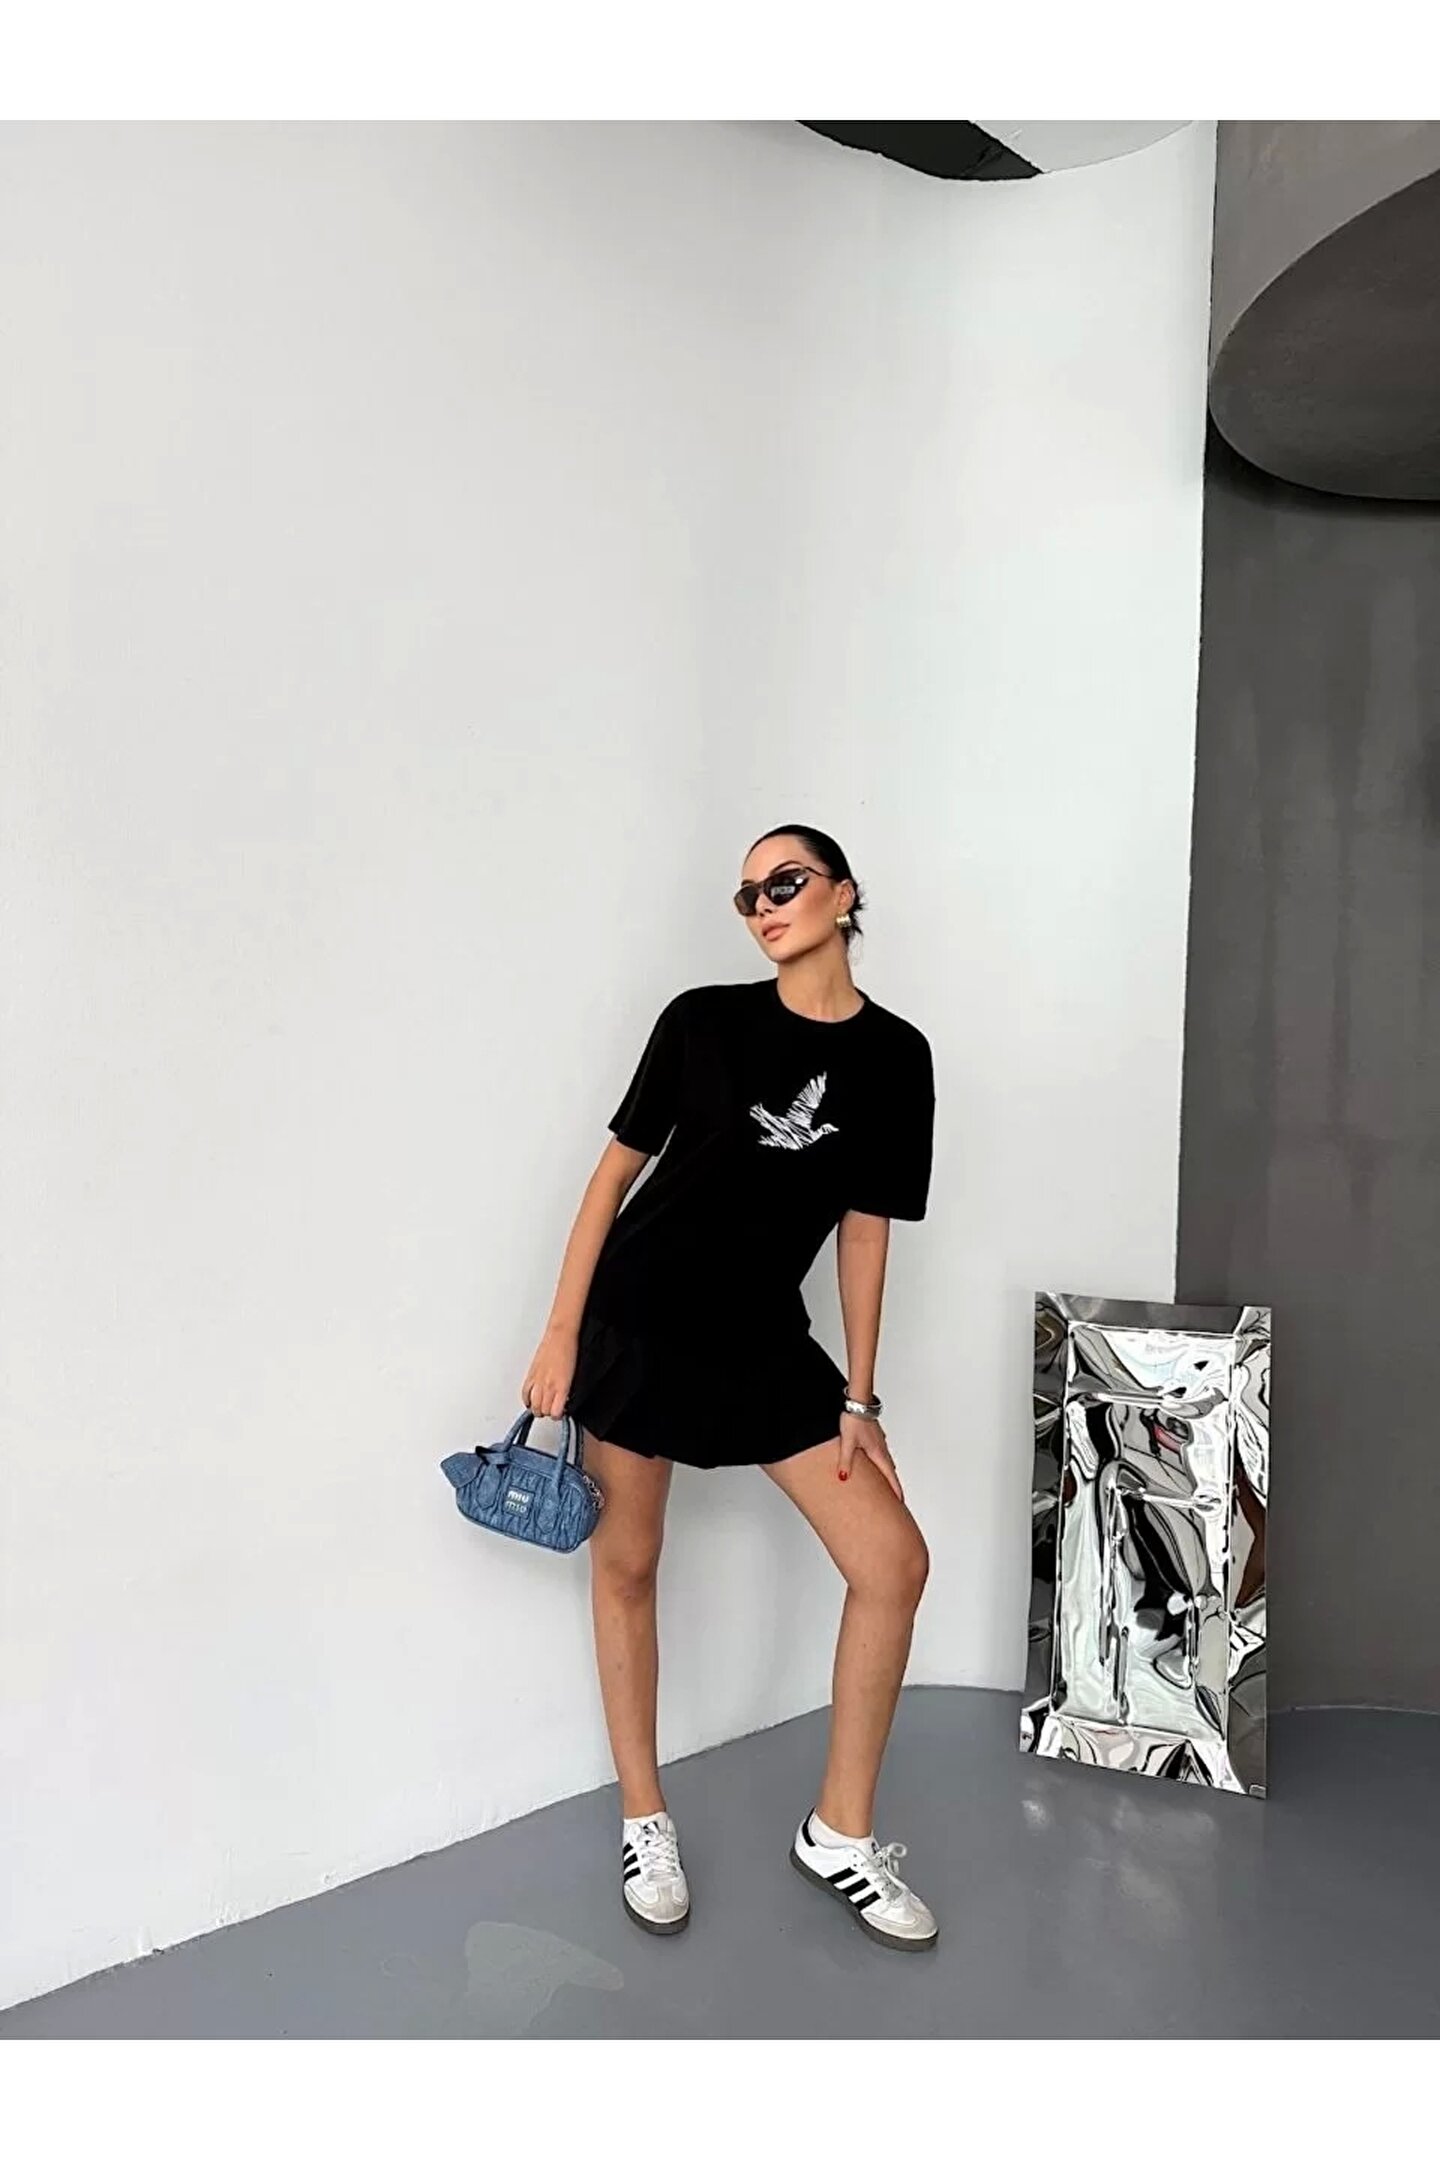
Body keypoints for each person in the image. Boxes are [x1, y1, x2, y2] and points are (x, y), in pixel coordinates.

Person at [520, 824, 938, 1952]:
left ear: (845, 894)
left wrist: (858, 1397)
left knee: (892, 1563)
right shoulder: (700, 1021)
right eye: (748, 894)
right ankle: (644, 1819)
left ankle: (839, 1833)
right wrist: (561, 1334)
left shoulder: (897, 1057)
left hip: (763, 1345)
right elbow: (613, 1177)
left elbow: (864, 1229)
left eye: (786, 882)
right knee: (629, 1565)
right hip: (639, 1326)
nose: (765, 905)